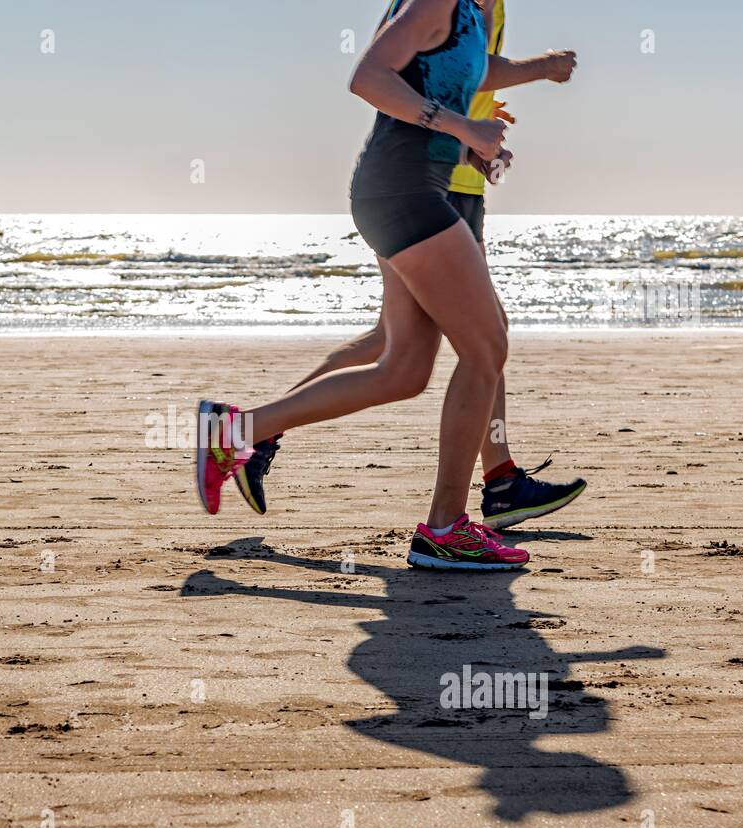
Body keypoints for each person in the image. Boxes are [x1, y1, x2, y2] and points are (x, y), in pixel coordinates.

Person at [197, 0, 531, 570]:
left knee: (403, 370)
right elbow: (368, 78)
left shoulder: (471, 14)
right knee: (486, 345)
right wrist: (461, 126)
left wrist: (474, 145)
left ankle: (240, 429)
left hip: (409, 187)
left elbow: (445, 80)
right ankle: (445, 528)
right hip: (403, 191)